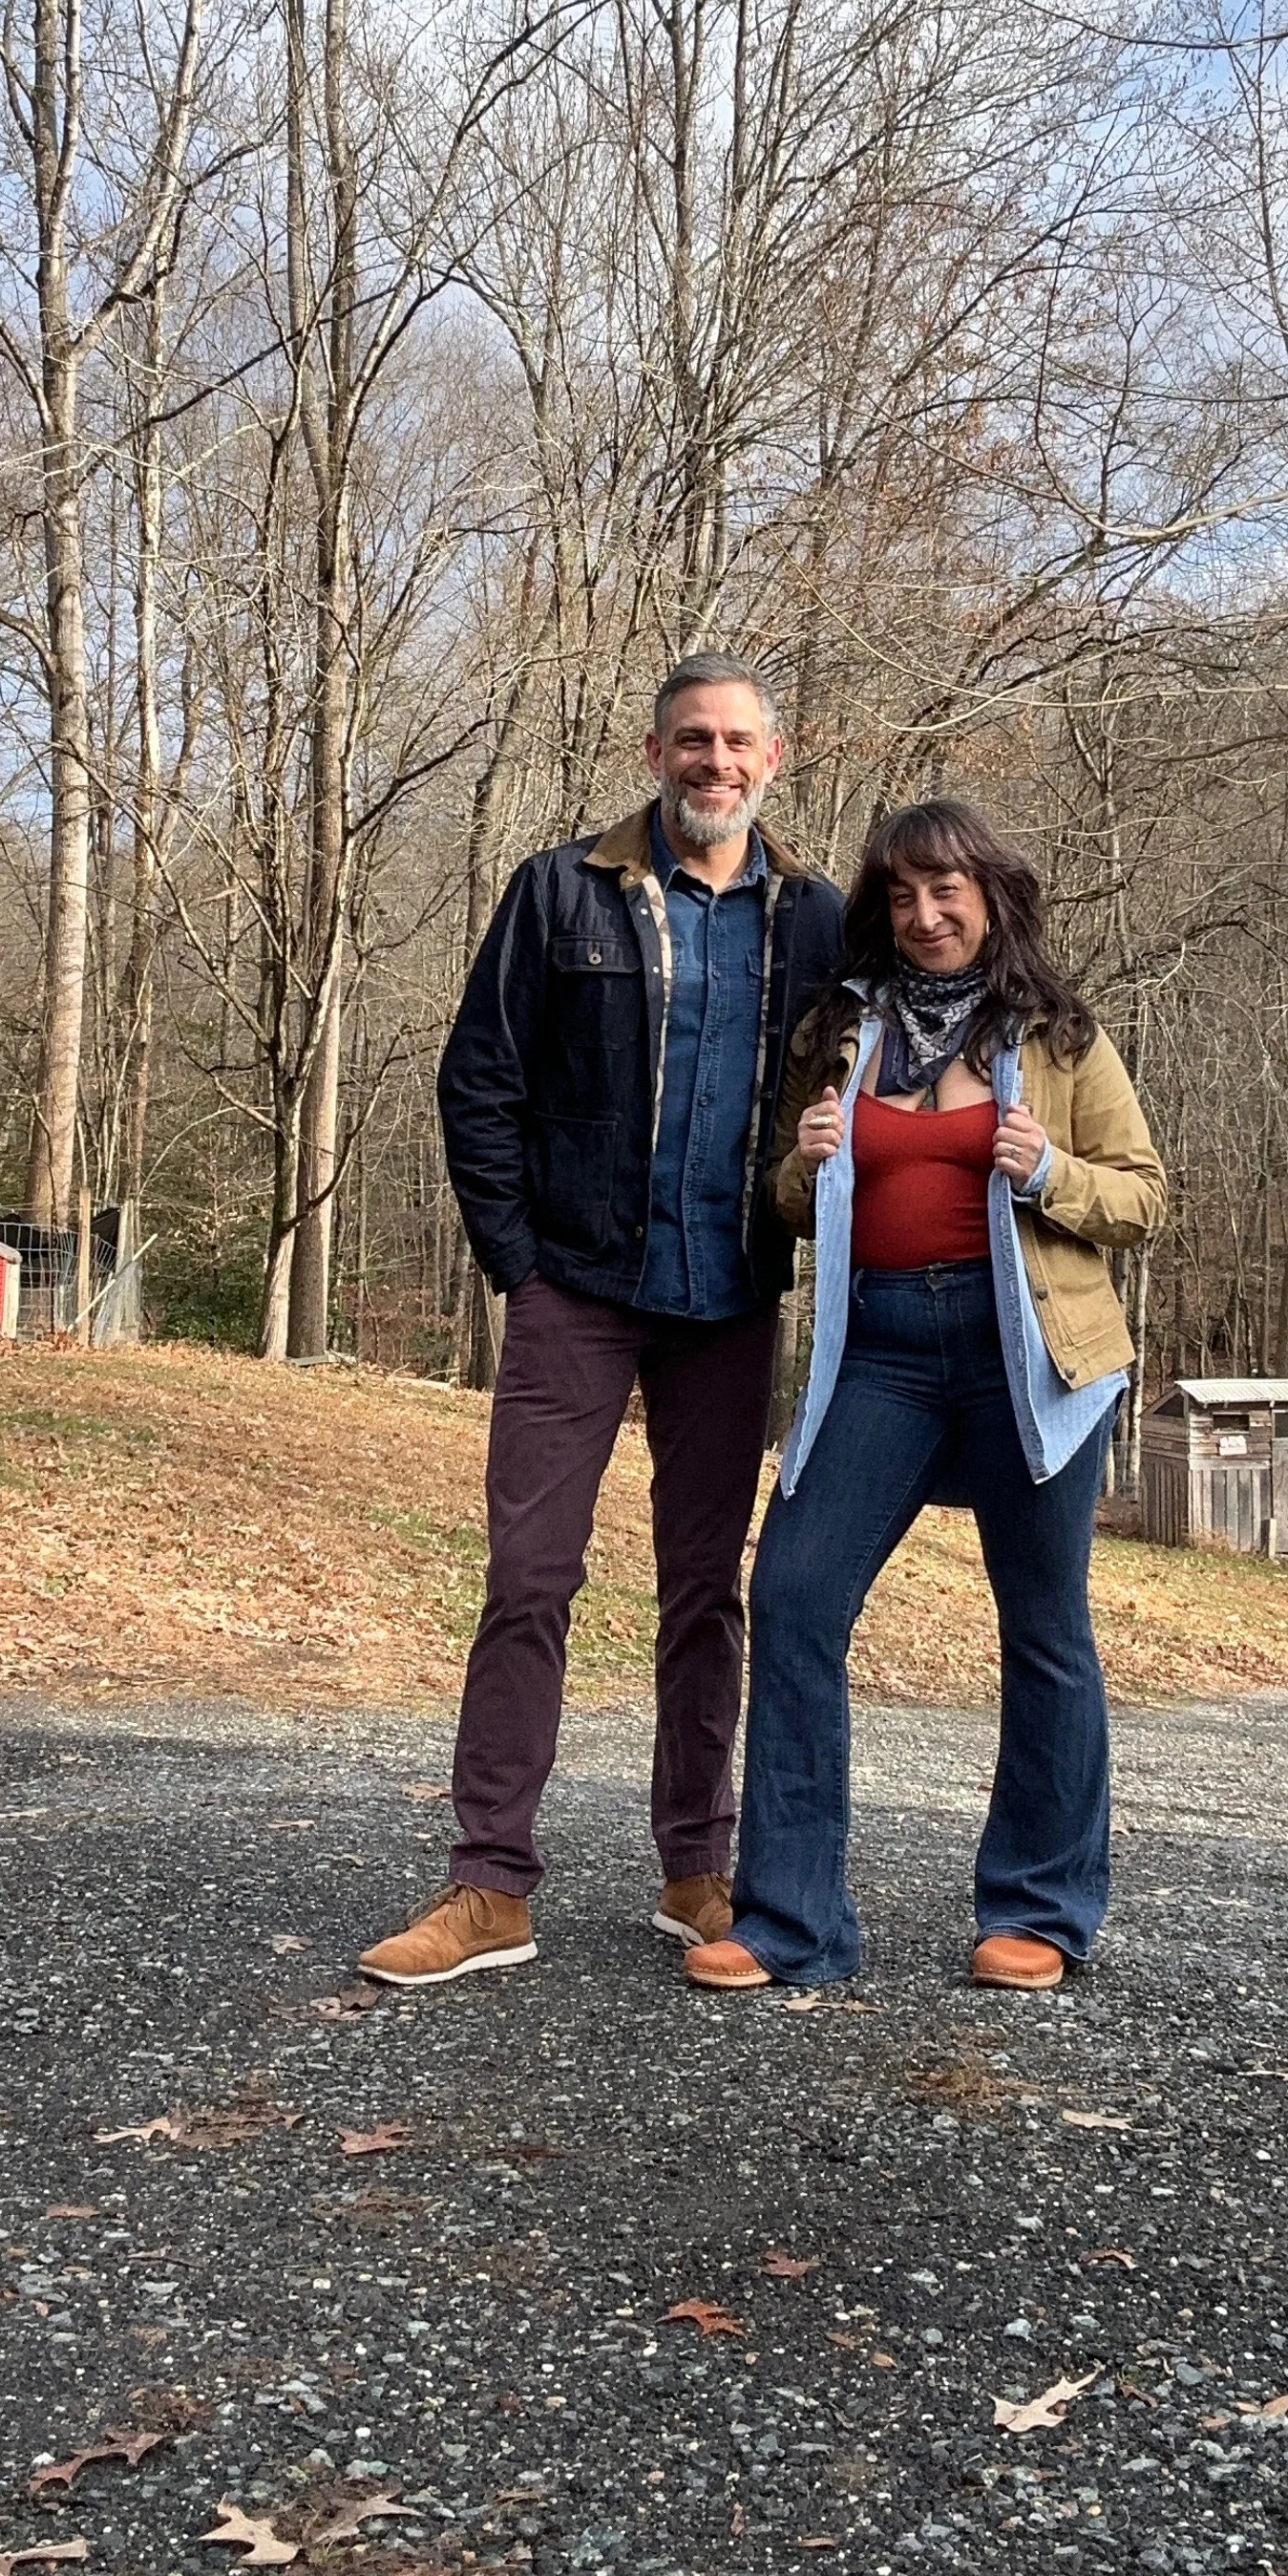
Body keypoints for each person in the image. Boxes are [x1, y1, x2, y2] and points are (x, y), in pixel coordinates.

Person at [359, 654, 845, 1988]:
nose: (716, 761)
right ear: (654, 751)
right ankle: (489, 1885)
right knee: (529, 1579)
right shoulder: (560, 890)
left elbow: (880, 1069)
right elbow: (481, 1078)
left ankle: (700, 1867)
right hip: (576, 1289)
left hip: (731, 1295)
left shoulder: (816, 918)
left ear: (774, 757)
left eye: (739, 741)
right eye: (693, 739)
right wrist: (519, 1262)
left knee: (708, 1596)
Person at [682, 798, 1164, 1998]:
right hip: (880, 1356)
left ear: (992, 894)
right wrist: (802, 1167)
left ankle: (1041, 1912)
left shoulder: (1058, 1039)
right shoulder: (843, 1031)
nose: (924, 913)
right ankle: (790, 1920)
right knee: (792, 1596)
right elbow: (789, 1205)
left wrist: (1050, 1169)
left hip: (1031, 1358)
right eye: (899, 895)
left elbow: (1145, 1198)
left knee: (1043, 1629)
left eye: (946, 889)